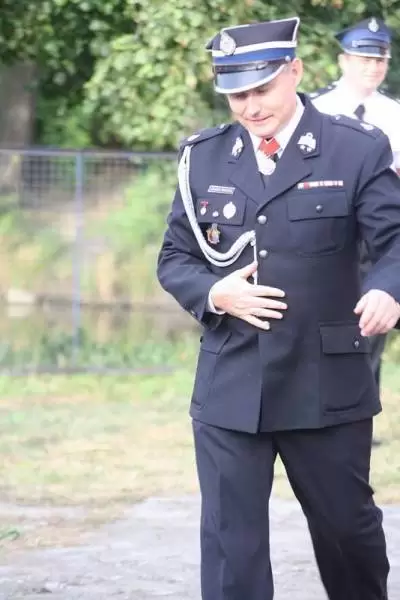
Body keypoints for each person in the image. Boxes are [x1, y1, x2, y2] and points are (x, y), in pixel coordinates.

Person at [157, 16, 400, 600]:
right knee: (231, 548)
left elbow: (394, 243)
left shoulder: (356, 147)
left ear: (295, 71)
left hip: (326, 379)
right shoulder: (204, 157)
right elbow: (175, 258)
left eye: (261, 89)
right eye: (236, 94)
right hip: (231, 379)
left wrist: (387, 289)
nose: (250, 106)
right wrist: (215, 293)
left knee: (346, 532)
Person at [311, 17, 400, 430]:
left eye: (380, 60)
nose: (373, 67)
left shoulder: (394, 114)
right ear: (343, 61)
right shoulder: (314, 110)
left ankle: (360, 417)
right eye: (364, 59)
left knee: (373, 326)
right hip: (325, 236)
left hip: (380, 239)